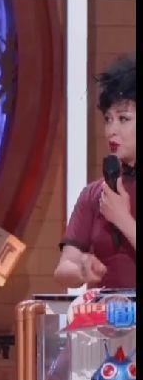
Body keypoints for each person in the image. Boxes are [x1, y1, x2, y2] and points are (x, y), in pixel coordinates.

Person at [54, 55, 136, 289]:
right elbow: (63, 269)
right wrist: (81, 267)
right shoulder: (94, 193)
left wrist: (123, 219)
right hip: (103, 311)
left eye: (123, 119)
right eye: (108, 119)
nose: (111, 131)